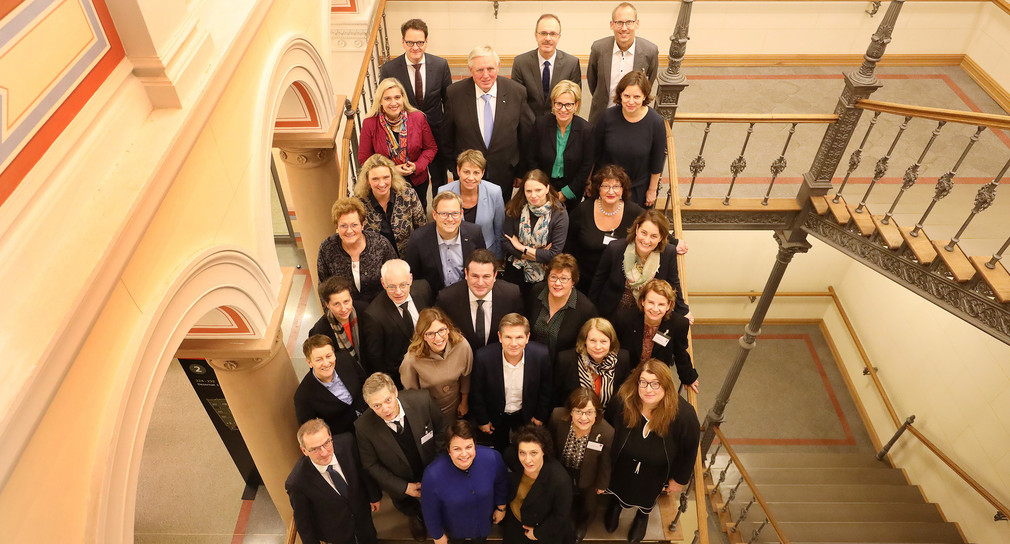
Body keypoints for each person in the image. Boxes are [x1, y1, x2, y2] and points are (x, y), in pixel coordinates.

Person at [604, 360, 699, 543]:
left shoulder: (684, 416)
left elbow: (690, 450)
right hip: (622, 464)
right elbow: (607, 427)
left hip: (656, 471)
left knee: (648, 493)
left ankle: (642, 515)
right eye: (644, 382)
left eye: (656, 384)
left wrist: (679, 480)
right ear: (637, 382)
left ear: (666, 386)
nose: (649, 389)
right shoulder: (623, 401)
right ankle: (616, 505)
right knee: (619, 485)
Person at [355, 373, 447, 542]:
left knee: (440, 498)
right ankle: (415, 515)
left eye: (388, 400)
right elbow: (370, 464)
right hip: (398, 478)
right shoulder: (363, 427)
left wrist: (437, 467)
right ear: (369, 405)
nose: (385, 409)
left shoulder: (422, 400)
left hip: (430, 465)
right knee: (406, 504)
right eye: (377, 405)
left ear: (395, 392)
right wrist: (404, 487)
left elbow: (441, 428)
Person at [442, 45, 534, 198]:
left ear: (498, 67)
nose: (485, 75)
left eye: (490, 69)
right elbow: (446, 137)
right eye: (479, 70)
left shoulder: (517, 92)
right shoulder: (454, 94)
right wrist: (455, 169)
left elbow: (525, 136)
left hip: (504, 173)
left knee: (500, 218)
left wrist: (521, 171)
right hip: (468, 176)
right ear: (471, 70)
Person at [379, 18, 453, 194]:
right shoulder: (390, 69)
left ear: (426, 42)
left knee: (439, 179)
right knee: (412, 179)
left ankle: (438, 212)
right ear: (403, 42)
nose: (415, 47)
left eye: (420, 42)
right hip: (405, 134)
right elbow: (386, 102)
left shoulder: (440, 65)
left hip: (436, 131)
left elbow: (448, 101)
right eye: (410, 42)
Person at [286, 419, 380, 544]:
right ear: (304, 451)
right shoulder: (297, 482)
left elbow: (362, 469)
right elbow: (304, 523)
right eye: (315, 449)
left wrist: (374, 496)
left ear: (330, 437)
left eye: (326, 443)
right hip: (337, 533)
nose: (324, 453)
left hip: (363, 518)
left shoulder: (347, 442)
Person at [470, 313, 552, 452]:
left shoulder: (541, 355)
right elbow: (477, 392)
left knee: (525, 450)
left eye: (519, 337)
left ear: (527, 338)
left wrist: (539, 416)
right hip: (496, 415)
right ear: (500, 337)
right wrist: (483, 420)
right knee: (499, 450)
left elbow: (546, 388)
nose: (514, 343)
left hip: (526, 414)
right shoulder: (483, 357)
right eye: (508, 337)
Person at [591, 209, 691, 321]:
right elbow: (598, 281)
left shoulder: (668, 253)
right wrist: (591, 313)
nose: (646, 240)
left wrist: (684, 311)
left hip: (644, 316)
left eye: (653, 236)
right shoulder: (615, 249)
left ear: (661, 238)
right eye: (644, 233)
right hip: (612, 313)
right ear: (637, 229)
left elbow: (673, 284)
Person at [421, 420, 509, 544]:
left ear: (475, 445)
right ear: (448, 450)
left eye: (469, 447)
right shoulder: (432, 474)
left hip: (483, 525)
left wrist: (501, 508)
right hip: (454, 530)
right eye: (457, 449)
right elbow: (429, 510)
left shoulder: (493, 458)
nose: (464, 454)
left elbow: (501, 483)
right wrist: (438, 536)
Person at [358, 78, 438, 209]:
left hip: (416, 180)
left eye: (397, 97)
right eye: (387, 98)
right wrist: (392, 170)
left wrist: (416, 166)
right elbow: (364, 159)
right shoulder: (370, 124)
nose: (393, 103)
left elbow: (431, 148)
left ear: (403, 98)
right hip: (386, 184)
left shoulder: (418, 118)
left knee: (418, 217)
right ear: (380, 101)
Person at [549, 388, 614, 542]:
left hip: (588, 472)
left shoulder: (606, 432)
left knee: (589, 504)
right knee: (559, 495)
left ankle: (582, 524)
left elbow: (606, 462)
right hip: (562, 466)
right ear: (570, 411)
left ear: (597, 413)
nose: (584, 418)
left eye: (589, 412)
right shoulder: (557, 417)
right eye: (579, 411)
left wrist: (602, 483)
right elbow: (549, 444)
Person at [593, 71, 666, 207]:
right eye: (627, 96)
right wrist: (589, 182)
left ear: (644, 96)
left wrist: (652, 190)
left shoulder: (656, 123)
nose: (631, 101)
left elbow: (657, 161)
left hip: (637, 190)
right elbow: (594, 153)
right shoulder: (607, 117)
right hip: (606, 188)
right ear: (620, 94)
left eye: (636, 97)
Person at [567, 165, 644, 293]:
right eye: (606, 186)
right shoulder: (583, 210)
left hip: (618, 283)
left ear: (623, 189)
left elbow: (653, 226)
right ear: (598, 188)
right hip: (584, 280)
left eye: (616, 186)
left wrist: (675, 242)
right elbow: (569, 243)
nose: (611, 191)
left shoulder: (634, 212)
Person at [613, 279, 697, 392]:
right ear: (643, 301)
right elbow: (615, 351)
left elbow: (680, 353)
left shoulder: (679, 324)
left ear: (669, 305)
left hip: (657, 378)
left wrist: (688, 378)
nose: (655, 309)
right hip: (628, 376)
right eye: (651, 302)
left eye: (661, 304)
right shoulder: (624, 318)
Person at [524, 80, 594, 213]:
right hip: (541, 189)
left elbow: (586, 166)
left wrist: (565, 194)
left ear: (576, 105)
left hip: (572, 191)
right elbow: (531, 158)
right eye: (559, 104)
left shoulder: (586, 130)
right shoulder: (540, 124)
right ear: (553, 104)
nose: (563, 109)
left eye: (568, 105)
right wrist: (543, 189)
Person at [362, 259, 433, 388]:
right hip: (402, 375)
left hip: (432, 360)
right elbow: (376, 357)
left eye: (403, 285)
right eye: (392, 286)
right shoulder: (374, 316)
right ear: (383, 283)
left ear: (410, 279)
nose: (399, 292)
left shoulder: (424, 289)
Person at [435, 249, 524, 351]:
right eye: (475, 276)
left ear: (495, 276)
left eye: (486, 276)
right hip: (461, 360)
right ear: (466, 274)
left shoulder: (511, 295)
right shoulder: (447, 298)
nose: (480, 283)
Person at [586, 2, 659, 124]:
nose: (624, 28)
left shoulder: (650, 51)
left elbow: (647, 85)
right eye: (619, 23)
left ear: (637, 24)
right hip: (601, 116)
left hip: (633, 116)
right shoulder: (598, 48)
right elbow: (592, 82)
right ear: (611, 25)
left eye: (629, 22)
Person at [317, 196, 397, 303]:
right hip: (345, 312)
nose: (349, 231)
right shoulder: (327, 248)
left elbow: (395, 275)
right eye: (343, 226)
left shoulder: (380, 244)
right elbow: (324, 288)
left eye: (354, 225)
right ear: (337, 226)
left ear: (362, 225)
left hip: (379, 309)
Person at [502, 425, 573, 544]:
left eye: (534, 453)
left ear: (544, 451)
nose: (527, 460)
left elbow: (560, 516)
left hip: (538, 530)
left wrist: (537, 533)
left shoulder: (560, 480)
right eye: (522, 453)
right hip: (514, 523)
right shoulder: (512, 458)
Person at [401, 308, 474, 423]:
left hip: (456, 406)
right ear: (423, 336)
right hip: (430, 413)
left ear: (448, 329)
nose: (438, 338)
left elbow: (466, 376)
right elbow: (412, 396)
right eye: (430, 334)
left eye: (442, 330)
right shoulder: (411, 360)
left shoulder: (461, 345)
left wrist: (464, 403)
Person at [405, 191, 486, 295]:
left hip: (467, 295)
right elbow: (414, 277)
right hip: (434, 299)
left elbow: (483, 266)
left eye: (455, 213)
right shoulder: (418, 239)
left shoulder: (475, 233)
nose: (450, 219)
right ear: (434, 215)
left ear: (461, 214)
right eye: (444, 214)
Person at [502, 170, 569, 293]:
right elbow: (505, 241)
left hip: (543, 275)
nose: (533, 195)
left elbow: (554, 254)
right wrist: (539, 253)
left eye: (538, 190)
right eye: (529, 191)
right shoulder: (514, 208)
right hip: (515, 271)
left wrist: (521, 247)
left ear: (547, 188)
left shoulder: (559, 213)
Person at [526, 254, 598, 363]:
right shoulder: (537, 292)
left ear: (573, 281)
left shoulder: (586, 309)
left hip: (562, 368)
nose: (557, 283)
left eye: (564, 279)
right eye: (553, 277)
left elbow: (584, 347)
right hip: (531, 361)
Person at [437, 149, 505, 258]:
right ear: (458, 171)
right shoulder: (443, 192)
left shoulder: (494, 192)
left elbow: (499, 228)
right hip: (453, 253)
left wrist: (498, 256)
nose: (471, 178)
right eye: (466, 172)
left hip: (486, 251)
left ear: (482, 173)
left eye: (476, 172)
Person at [294, 335, 366, 437]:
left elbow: (364, 382)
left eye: (329, 356)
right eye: (319, 360)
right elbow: (311, 430)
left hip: (370, 416)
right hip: (346, 436)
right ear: (309, 363)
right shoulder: (303, 396)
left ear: (334, 355)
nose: (326, 363)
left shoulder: (345, 359)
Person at [355, 153, 427, 257]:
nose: (382, 183)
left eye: (386, 177)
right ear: (367, 181)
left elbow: (422, 230)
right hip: (377, 263)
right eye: (375, 179)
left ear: (392, 177)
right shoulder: (358, 204)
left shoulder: (408, 195)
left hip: (409, 259)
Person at [554, 318, 631, 414]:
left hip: (608, 423)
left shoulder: (622, 359)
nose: (598, 347)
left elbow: (623, 399)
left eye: (603, 341)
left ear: (611, 342)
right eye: (593, 340)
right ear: (585, 340)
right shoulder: (566, 360)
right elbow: (556, 397)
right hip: (574, 420)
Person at [510, 14, 582, 115]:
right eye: (543, 33)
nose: (548, 38)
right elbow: (517, 100)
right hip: (529, 126)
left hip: (559, 125)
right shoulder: (521, 63)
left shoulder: (571, 64)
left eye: (553, 34)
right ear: (536, 35)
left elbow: (573, 101)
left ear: (559, 37)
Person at [308, 276, 370, 373]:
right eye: (336, 304)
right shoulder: (320, 331)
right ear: (327, 305)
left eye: (346, 301)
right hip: (346, 376)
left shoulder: (364, 311)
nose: (343, 309)